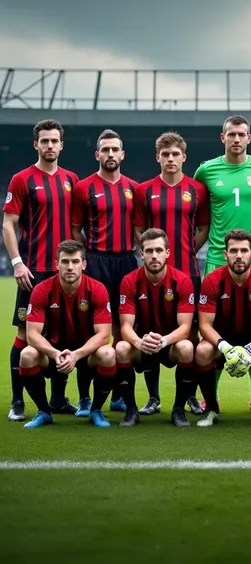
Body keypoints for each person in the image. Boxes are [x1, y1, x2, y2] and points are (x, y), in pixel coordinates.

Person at [194, 115, 251, 411]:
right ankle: (210, 396)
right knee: (216, 326)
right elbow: (199, 216)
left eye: (242, 134)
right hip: (218, 259)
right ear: (223, 138)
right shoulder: (205, 171)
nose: (236, 139)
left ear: (249, 138)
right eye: (231, 134)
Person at [2, 118, 78, 421]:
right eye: (44, 140)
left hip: (64, 273)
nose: (49, 145)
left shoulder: (71, 179)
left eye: (54, 140)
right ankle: (17, 401)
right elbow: (9, 223)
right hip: (33, 272)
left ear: (61, 144)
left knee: (61, 336)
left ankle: (58, 400)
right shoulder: (22, 179)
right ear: (36, 144)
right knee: (23, 336)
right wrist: (17, 262)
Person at [134, 131, 209, 416]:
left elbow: (203, 228)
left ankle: (189, 396)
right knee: (151, 331)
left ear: (183, 157)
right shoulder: (144, 190)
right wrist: (153, 254)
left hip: (188, 274)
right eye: (165, 155)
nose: (170, 159)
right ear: (158, 158)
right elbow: (138, 230)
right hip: (152, 277)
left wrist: (189, 250)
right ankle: (153, 397)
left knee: (189, 336)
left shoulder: (197, 190)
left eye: (175, 154)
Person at [71, 129, 138, 416]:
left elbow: (139, 230)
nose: (110, 154)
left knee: (125, 330)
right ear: (97, 154)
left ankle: (120, 396)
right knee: (92, 330)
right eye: (105, 150)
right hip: (96, 261)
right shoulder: (83, 187)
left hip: (126, 263)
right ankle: (85, 398)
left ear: (122, 154)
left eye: (115, 150)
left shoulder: (134, 188)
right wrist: (93, 253)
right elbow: (75, 229)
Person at [19, 240, 116, 429]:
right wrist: (55, 354)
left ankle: (96, 410)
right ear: (57, 265)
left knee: (108, 353)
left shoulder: (97, 289)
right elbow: (32, 335)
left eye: (75, 261)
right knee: (27, 354)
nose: (70, 267)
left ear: (84, 265)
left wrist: (77, 354)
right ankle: (44, 412)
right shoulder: (42, 290)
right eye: (65, 262)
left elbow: (104, 335)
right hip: (53, 353)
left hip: (85, 353)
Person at [195, 229, 251, 427]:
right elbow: (204, 326)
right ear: (225, 254)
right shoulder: (211, 281)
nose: (239, 256)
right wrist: (226, 348)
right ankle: (210, 408)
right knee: (202, 351)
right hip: (222, 340)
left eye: (244, 250)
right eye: (233, 251)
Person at [115, 228, 196, 428]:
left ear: (167, 253)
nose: (154, 256)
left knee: (187, 347)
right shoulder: (129, 281)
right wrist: (138, 342)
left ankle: (178, 410)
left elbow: (185, 328)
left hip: (170, 344)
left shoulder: (182, 281)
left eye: (159, 250)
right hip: (141, 345)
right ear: (141, 254)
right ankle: (131, 410)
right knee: (121, 348)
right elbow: (125, 326)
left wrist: (164, 341)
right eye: (149, 251)